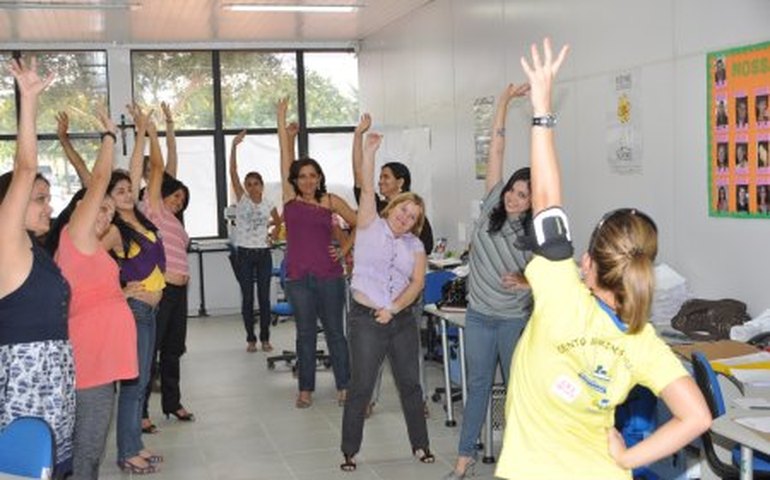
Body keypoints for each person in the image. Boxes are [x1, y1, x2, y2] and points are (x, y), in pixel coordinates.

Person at [495, 38, 711, 480]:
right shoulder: (643, 341)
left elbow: (546, 200)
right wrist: (630, 458)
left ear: (588, 263)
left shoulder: (560, 295)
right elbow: (697, 417)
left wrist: (542, 111)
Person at [444, 82, 534, 480]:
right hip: (479, 316)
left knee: (518, 392)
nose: (515, 199)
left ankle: (520, 465)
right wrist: (502, 103)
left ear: (534, 202)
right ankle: (464, 462)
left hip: (514, 321)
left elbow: (557, 276)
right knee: (478, 387)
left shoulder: (536, 235)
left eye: (524, 196)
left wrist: (530, 285)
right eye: (514, 190)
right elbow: (495, 149)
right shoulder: (491, 205)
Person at [0, 57, 76, 477]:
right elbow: (25, 167)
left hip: (53, 382)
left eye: (48, 198)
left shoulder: (36, 251)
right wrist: (28, 100)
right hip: (26, 386)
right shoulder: (6, 244)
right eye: (39, 198)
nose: (49, 206)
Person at [339, 132, 433, 471]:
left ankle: (420, 446)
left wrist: (393, 308)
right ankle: (349, 450)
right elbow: (365, 187)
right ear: (393, 206)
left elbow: (417, 283)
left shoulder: (416, 247)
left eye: (413, 217)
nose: (405, 218)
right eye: (403, 210)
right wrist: (369, 150)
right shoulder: (368, 224)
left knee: (410, 384)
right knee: (361, 385)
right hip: (365, 319)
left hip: (401, 319)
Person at [54, 109, 138, 480]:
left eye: (108, 211)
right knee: (87, 450)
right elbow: (100, 179)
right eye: (98, 208)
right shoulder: (76, 235)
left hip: (102, 360)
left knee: (89, 448)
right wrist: (109, 136)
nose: (105, 215)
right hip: (92, 361)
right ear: (79, 210)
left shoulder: (91, 248)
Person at [277, 98, 357, 409]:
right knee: (305, 334)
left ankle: (345, 385)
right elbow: (285, 159)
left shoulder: (331, 201)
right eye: (302, 176)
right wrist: (282, 123)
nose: (308, 181)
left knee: (336, 333)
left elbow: (359, 223)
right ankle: (305, 389)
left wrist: (345, 249)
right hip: (297, 277)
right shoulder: (289, 199)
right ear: (295, 181)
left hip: (330, 276)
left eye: (313, 175)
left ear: (320, 177)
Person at [101, 106, 165, 474]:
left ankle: (134, 444)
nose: (127, 193)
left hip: (151, 311)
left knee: (140, 385)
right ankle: (127, 452)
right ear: (109, 198)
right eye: (119, 191)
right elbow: (85, 260)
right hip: (136, 312)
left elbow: (137, 170)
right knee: (133, 385)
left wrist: (141, 131)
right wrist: (119, 292)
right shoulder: (113, 230)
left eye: (129, 189)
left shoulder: (138, 217)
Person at [140, 102, 195, 429]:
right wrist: (153, 132)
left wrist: (170, 125)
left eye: (182, 200)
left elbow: (168, 169)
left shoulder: (176, 223)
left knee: (173, 350)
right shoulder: (153, 210)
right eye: (175, 197)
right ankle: (143, 410)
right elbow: (162, 167)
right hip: (160, 292)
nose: (178, 202)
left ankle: (172, 404)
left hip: (180, 292)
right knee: (152, 350)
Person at [229, 130, 282, 353]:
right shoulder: (242, 200)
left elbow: (278, 222)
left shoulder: (268, 202)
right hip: (244, 254)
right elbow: (232, 172)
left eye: (255, 183)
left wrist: (272, 235)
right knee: (248, 298)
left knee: (263, 297)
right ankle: (251, 338)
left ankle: (266, 338)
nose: (252, 187)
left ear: (261, 185)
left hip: (262, 254)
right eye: (248, 184)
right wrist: (233, 146)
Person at [351, 113, 434, 254]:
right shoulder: (377, 206)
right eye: (380, 177)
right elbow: (359, 176)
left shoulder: (413, 211)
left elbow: (427, 247)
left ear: (400, 182)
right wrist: (358, 135)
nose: (380, 181)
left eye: (386, 177)